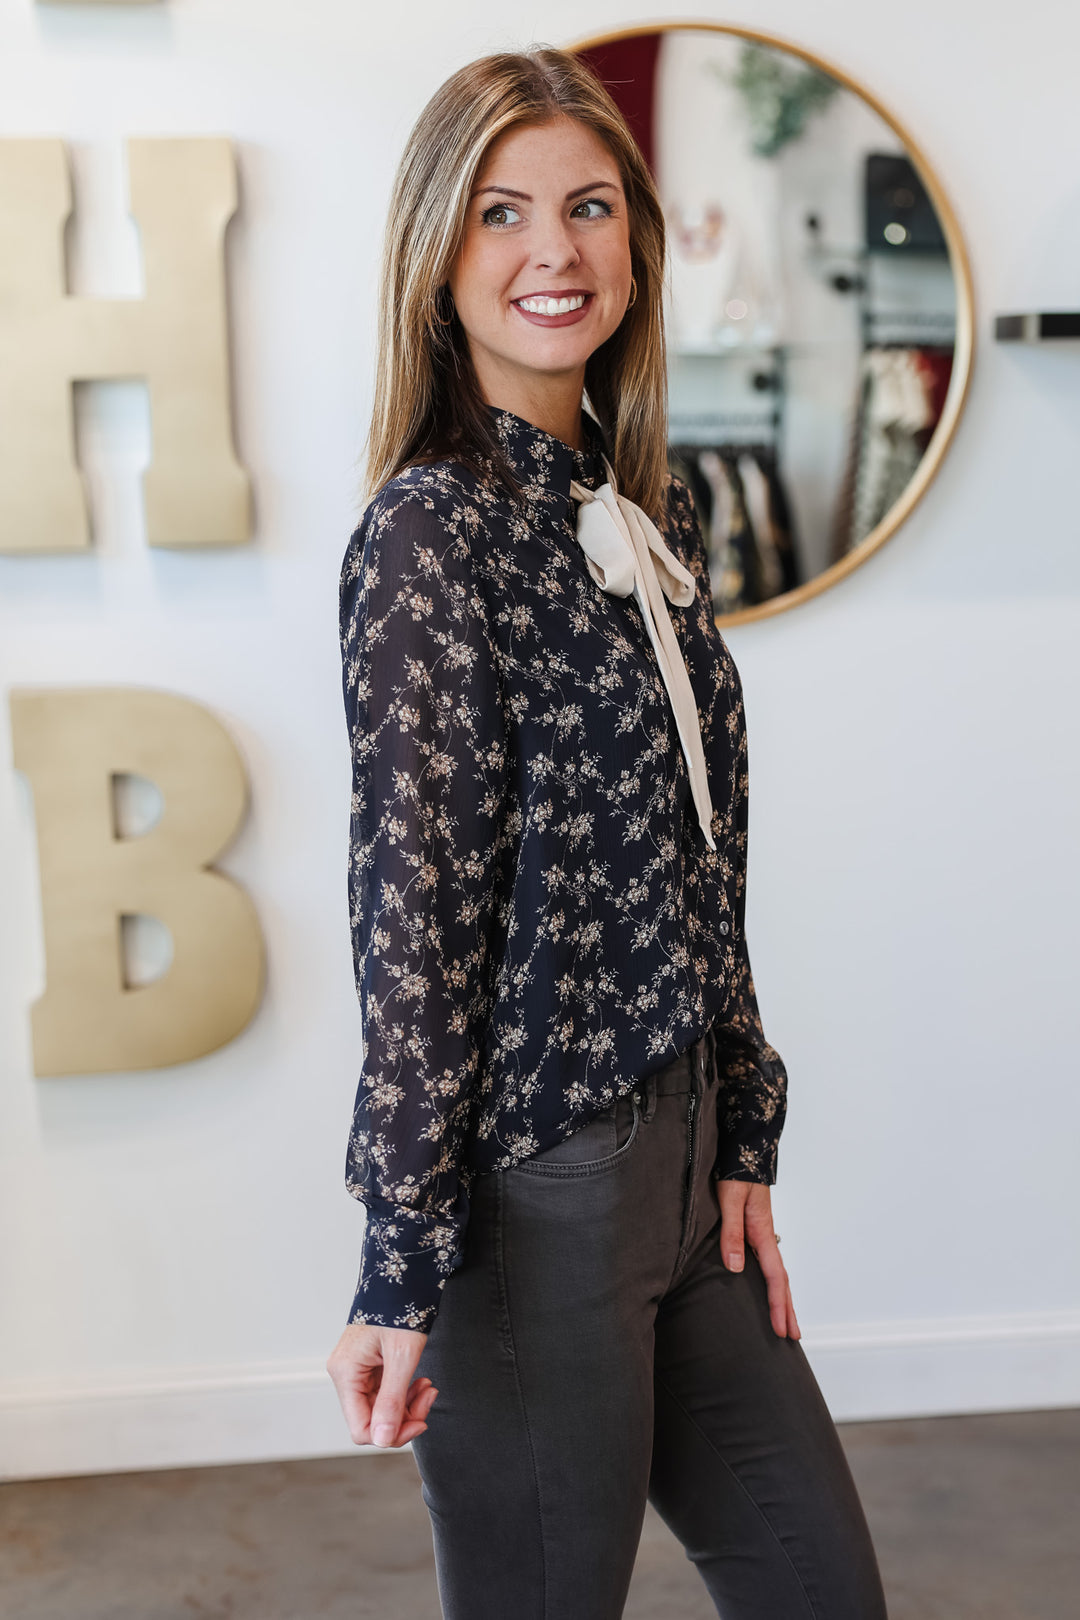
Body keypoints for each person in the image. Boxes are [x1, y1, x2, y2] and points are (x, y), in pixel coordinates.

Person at [327, 46, 890, 1620]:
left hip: (684, 1169)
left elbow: (705, 859)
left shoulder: (638, 519)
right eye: (502, 214)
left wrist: (743, 1132)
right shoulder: (434, 531)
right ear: (439, 260)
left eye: (588, 207)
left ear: (637, 241)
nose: (553, 253)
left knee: (819, 1590)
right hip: (540, 1184)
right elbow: (415, 913)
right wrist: (400, 1255)